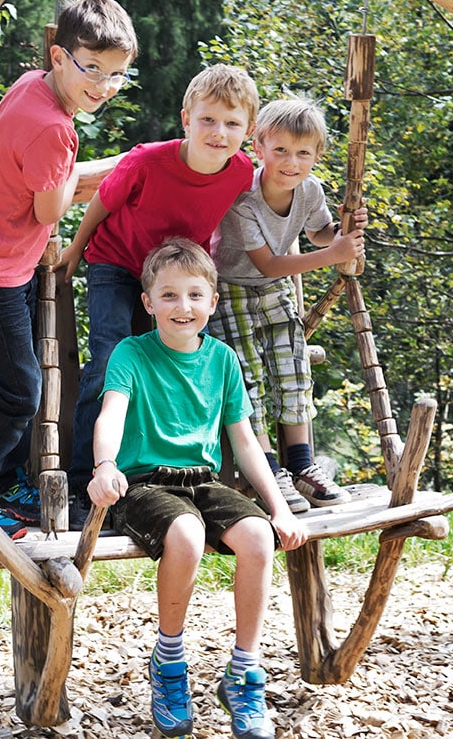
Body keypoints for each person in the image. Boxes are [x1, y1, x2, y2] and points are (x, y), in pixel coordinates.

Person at [87, 238, 307, 739]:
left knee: (257, 538)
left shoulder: (223, 360)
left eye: (193, 295)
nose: (181, 307)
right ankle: (168, 662)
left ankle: (244, 672)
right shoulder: (131, 353)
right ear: (148, 303)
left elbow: (246, 443)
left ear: (211, 301)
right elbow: (112, 413)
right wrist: (104, 465)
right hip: (143, 483)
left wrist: (279, 509)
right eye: (168, 296)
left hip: (204, 481)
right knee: (185, 536)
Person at [0, 0, 138, 544]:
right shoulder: (56, 130)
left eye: (118, 73)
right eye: (90, 68)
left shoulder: (30, 86)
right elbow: (49, 210)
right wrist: (114, 168)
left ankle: (2, 488)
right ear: (58, 56)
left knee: (17, 381)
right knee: (19, 391)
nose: (103, 84)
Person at [60, 64, 259, 525]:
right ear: (186, 118)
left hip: (175, 284)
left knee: (170, 364)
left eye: (232, 124)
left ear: (248, 132)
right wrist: (75, 249)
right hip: (117, 264)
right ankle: (81, 485)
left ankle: (162, 474)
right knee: (110, 362)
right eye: (208, 120)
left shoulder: (241, 171)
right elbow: (102, 203)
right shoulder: (147, 160)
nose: (218, 132)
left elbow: (276, 197)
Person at [210, 98, 367, 514]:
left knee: (292, 369)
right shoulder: (245, 199)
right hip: (234, 290)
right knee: (250, 377)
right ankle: (267, 468)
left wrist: (342, 230)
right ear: (258, 147)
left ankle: (301, 465)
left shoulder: (310, 190)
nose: (291, 162)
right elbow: (269, 263)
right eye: (280, 150)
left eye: (303, 152)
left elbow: (319, 234)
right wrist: (335, 253)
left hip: (275, 292)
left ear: (317, 156)